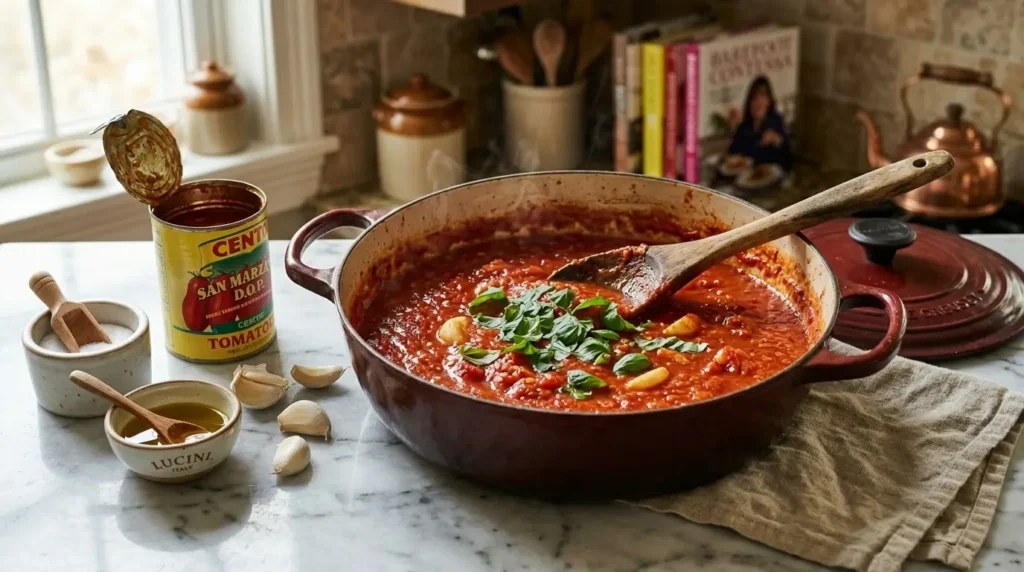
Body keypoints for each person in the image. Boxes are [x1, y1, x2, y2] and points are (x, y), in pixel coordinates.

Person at [725, 75, 792, 171]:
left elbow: (788, 155)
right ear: (749, 102)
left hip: (771, 179)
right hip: (744, 180)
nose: (758, 102)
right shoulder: (744, 126)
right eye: (754, 98)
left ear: (769, 101)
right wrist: (733, 130)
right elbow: (731, 156)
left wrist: (777, 140)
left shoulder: (776, 120)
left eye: (763, 96)